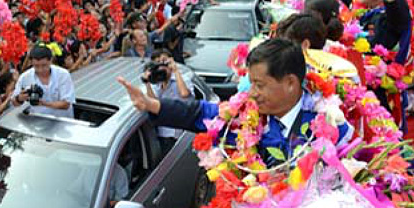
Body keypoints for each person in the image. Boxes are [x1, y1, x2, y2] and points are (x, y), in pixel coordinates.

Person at [118, 39, 353, 167]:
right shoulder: (246, 118)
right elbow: (201, 113)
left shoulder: (333, 128)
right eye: (251, 84)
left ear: (290, 82)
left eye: (260, 85)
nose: (252, 93)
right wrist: (152, 104)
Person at [143, 49, 194, 154]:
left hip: (176, 133)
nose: (161, 66)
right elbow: (152, 102)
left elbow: (184, 94)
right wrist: (147, 82)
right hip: (161, 132)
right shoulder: (157, 83)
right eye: (157, 64)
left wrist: (175, 70)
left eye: (163, 62)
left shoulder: (182, 79)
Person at [12, 45, 76, 118]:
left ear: (51, 60)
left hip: (63, 122)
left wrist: (43, 103)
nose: (40, 69)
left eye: (44, 65)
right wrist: (19, 98)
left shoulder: (63, 75)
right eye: (36, 66)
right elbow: (14, 103)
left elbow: (66, 104)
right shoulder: (25, 77)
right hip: (38, 122)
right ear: (31, 63)